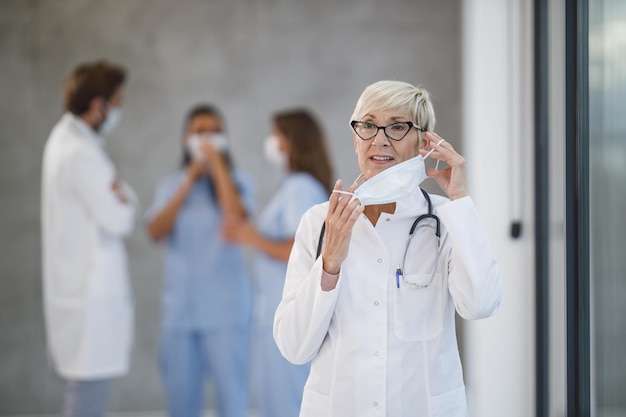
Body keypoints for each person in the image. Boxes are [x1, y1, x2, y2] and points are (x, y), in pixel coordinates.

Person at [273, 80, 503, 417]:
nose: (379, 139)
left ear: (424, 143)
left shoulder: (445, 219)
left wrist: (459, 199)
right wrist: (330, 264)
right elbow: (294, 347)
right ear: (355, 139)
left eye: (397, 127)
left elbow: (481, 303)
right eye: (368, 125)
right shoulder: (318, 222)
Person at [222, 109, 334, 417]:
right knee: (275, 397)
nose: (272, 142)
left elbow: (302, 249)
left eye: (278, 135)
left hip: (288, 309)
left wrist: (251, 236)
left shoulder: (301, 187)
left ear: (292, 141)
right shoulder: (293, 185)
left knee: (285, 399)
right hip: (274, 307)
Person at [41, 60, 137, 417]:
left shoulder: (71, 141)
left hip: (84, 291)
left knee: (85, 392)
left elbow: (116, 202)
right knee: (86, 396)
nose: (119, 110)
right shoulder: (79, 152)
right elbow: (119, 218)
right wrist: (124, 195)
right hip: (89, 295)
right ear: (100, 105)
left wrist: (119, 193)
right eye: (118, 101)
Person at [145, 104, 254, 417]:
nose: (207, 138)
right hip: (181, 312)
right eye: (199, 132)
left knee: (232, 400)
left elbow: (237, 217)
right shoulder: (171, 186)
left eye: (215, 132)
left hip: (226, 312)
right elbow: (155, 231)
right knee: (181, 404)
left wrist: (217, 166)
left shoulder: (239, 183)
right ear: (185, 139)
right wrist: (188, 182)